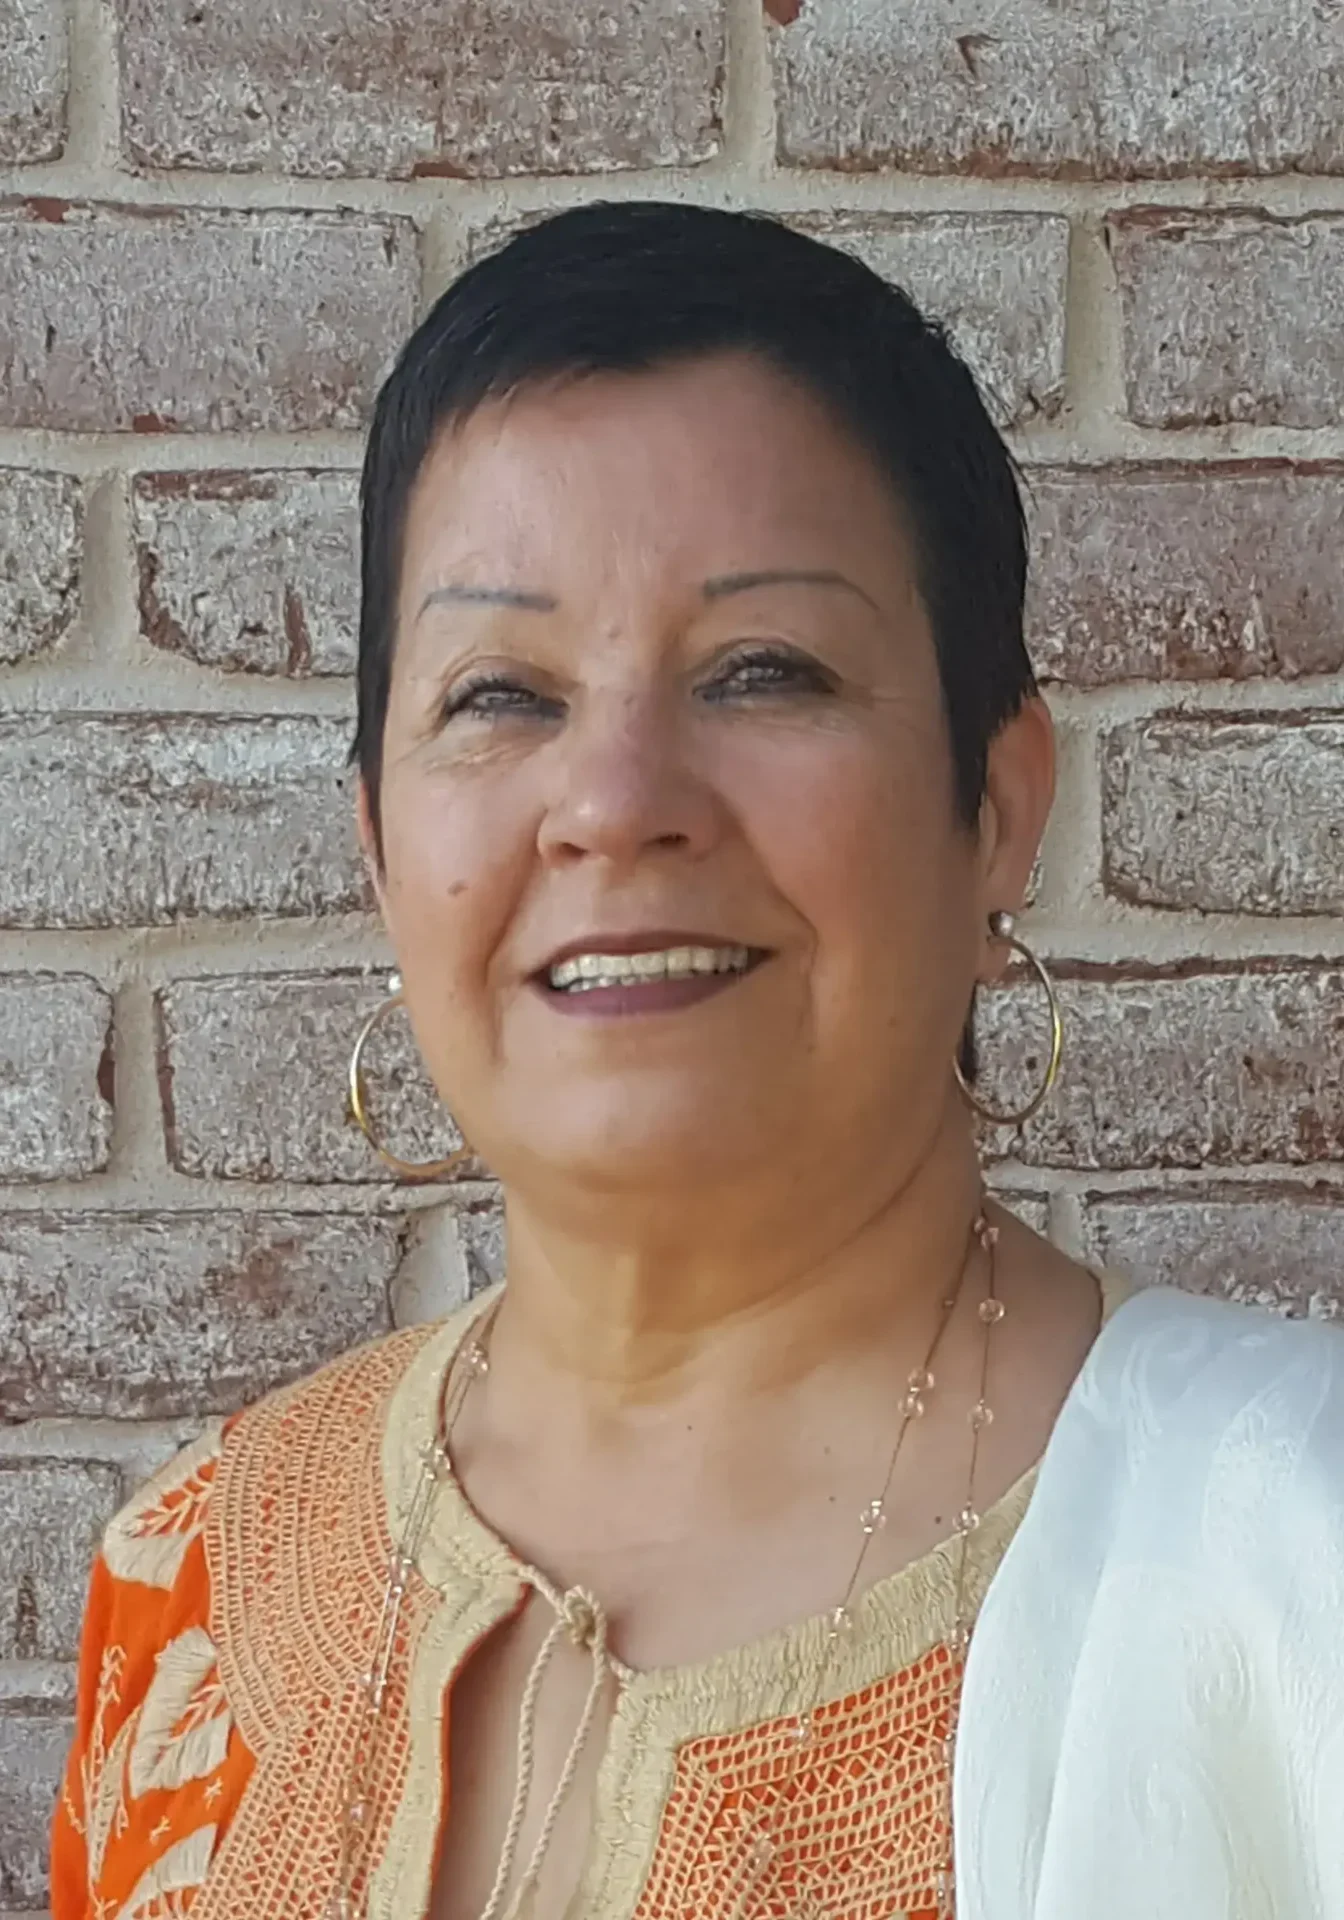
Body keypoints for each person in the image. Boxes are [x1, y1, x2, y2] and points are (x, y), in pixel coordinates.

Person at [51, 202, 1344, 1920]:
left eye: (761, 671)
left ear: (999, 807)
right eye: (502, 696)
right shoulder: (190, 1579)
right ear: (376, 845)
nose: (615, 800)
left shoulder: (1285, 1551)